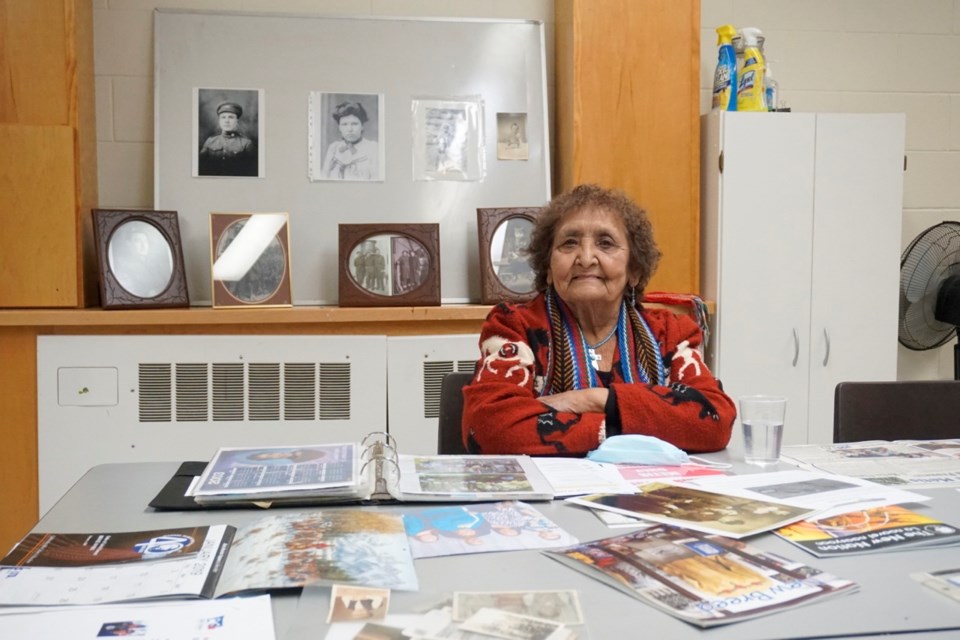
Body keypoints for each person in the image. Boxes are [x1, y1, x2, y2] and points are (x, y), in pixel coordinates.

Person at [462, 184, 735, 456]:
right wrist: (634, 426)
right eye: (569, 243)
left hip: (647, 492)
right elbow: (489, 428)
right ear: (547, 269)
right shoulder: (516, 326)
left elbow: (715, 420)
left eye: (605, 243)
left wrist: (593, 400)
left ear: (634, 271)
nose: (586, 258)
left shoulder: (670, 333)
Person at [198, 101, 257, 176]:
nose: (227, 121)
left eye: (231, 117)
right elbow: (200, 167)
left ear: (237, 121)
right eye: (223, 117)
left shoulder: (246, 143)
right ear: (219, 121)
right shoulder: (210, 141)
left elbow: (251, 171)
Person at [323, 101, 379, 180]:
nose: (349, 129)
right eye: (344, 124)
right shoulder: (333, 148)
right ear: (339, 127)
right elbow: (324, 177)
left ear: (362, 126)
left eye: (354, 124)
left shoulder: (373, 148)